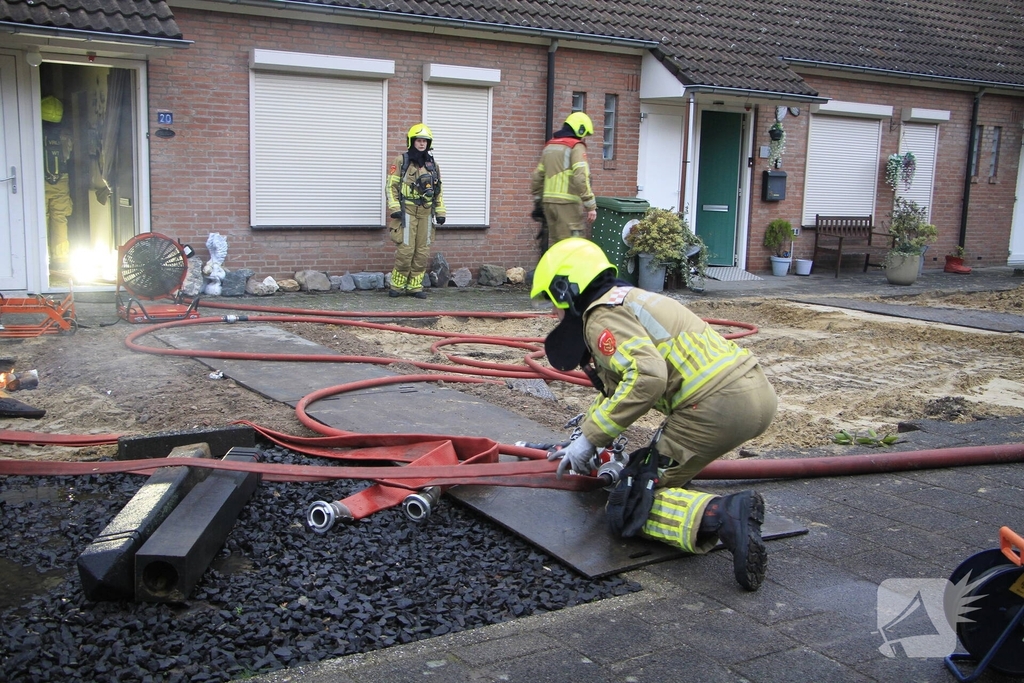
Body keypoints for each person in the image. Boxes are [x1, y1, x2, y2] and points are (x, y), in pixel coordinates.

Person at [530, 237, 778, 590]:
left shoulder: (602, 316)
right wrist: (584, 435)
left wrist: (588, 441)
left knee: (629, 497)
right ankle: (683, 494)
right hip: (752, 393)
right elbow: (619, 390)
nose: (552, 314)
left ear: (566, 289)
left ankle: (724, 515)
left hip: (714, 406)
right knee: (655, 469)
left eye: (551, 303)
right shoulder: (626, 299)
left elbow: (647, 378)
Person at [385, 123, 446, 299]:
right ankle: (397, 286)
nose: (421, 144)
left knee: (422, 252)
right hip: (407, 212)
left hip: (426, 214)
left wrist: (441, 212)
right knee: (406, 251)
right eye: (419, 140)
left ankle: (414, 287)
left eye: (425, 141)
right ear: (412, 141)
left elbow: (438, 190)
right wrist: (395, 207)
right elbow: (391, 186)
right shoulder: (401, 161)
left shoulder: (432, 164)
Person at [530, 112, 597, 248]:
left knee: (557, 246)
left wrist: (538, 200)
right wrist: (590, 206)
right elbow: (580, 177)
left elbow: (537, 176)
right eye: (584, 134)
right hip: (567, 204)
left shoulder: (549, 146)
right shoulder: (576, 146)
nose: (584, 138)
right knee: (572, 246)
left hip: (549, 204)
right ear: (580, 129)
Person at [41, 95, 73, 270]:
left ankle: (42, 257)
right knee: (60, 218)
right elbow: (68, 155)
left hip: (40, 180)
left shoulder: (35, 132)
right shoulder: (65, 134)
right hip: (61, 179)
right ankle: (60, 259)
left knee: (42, 218)